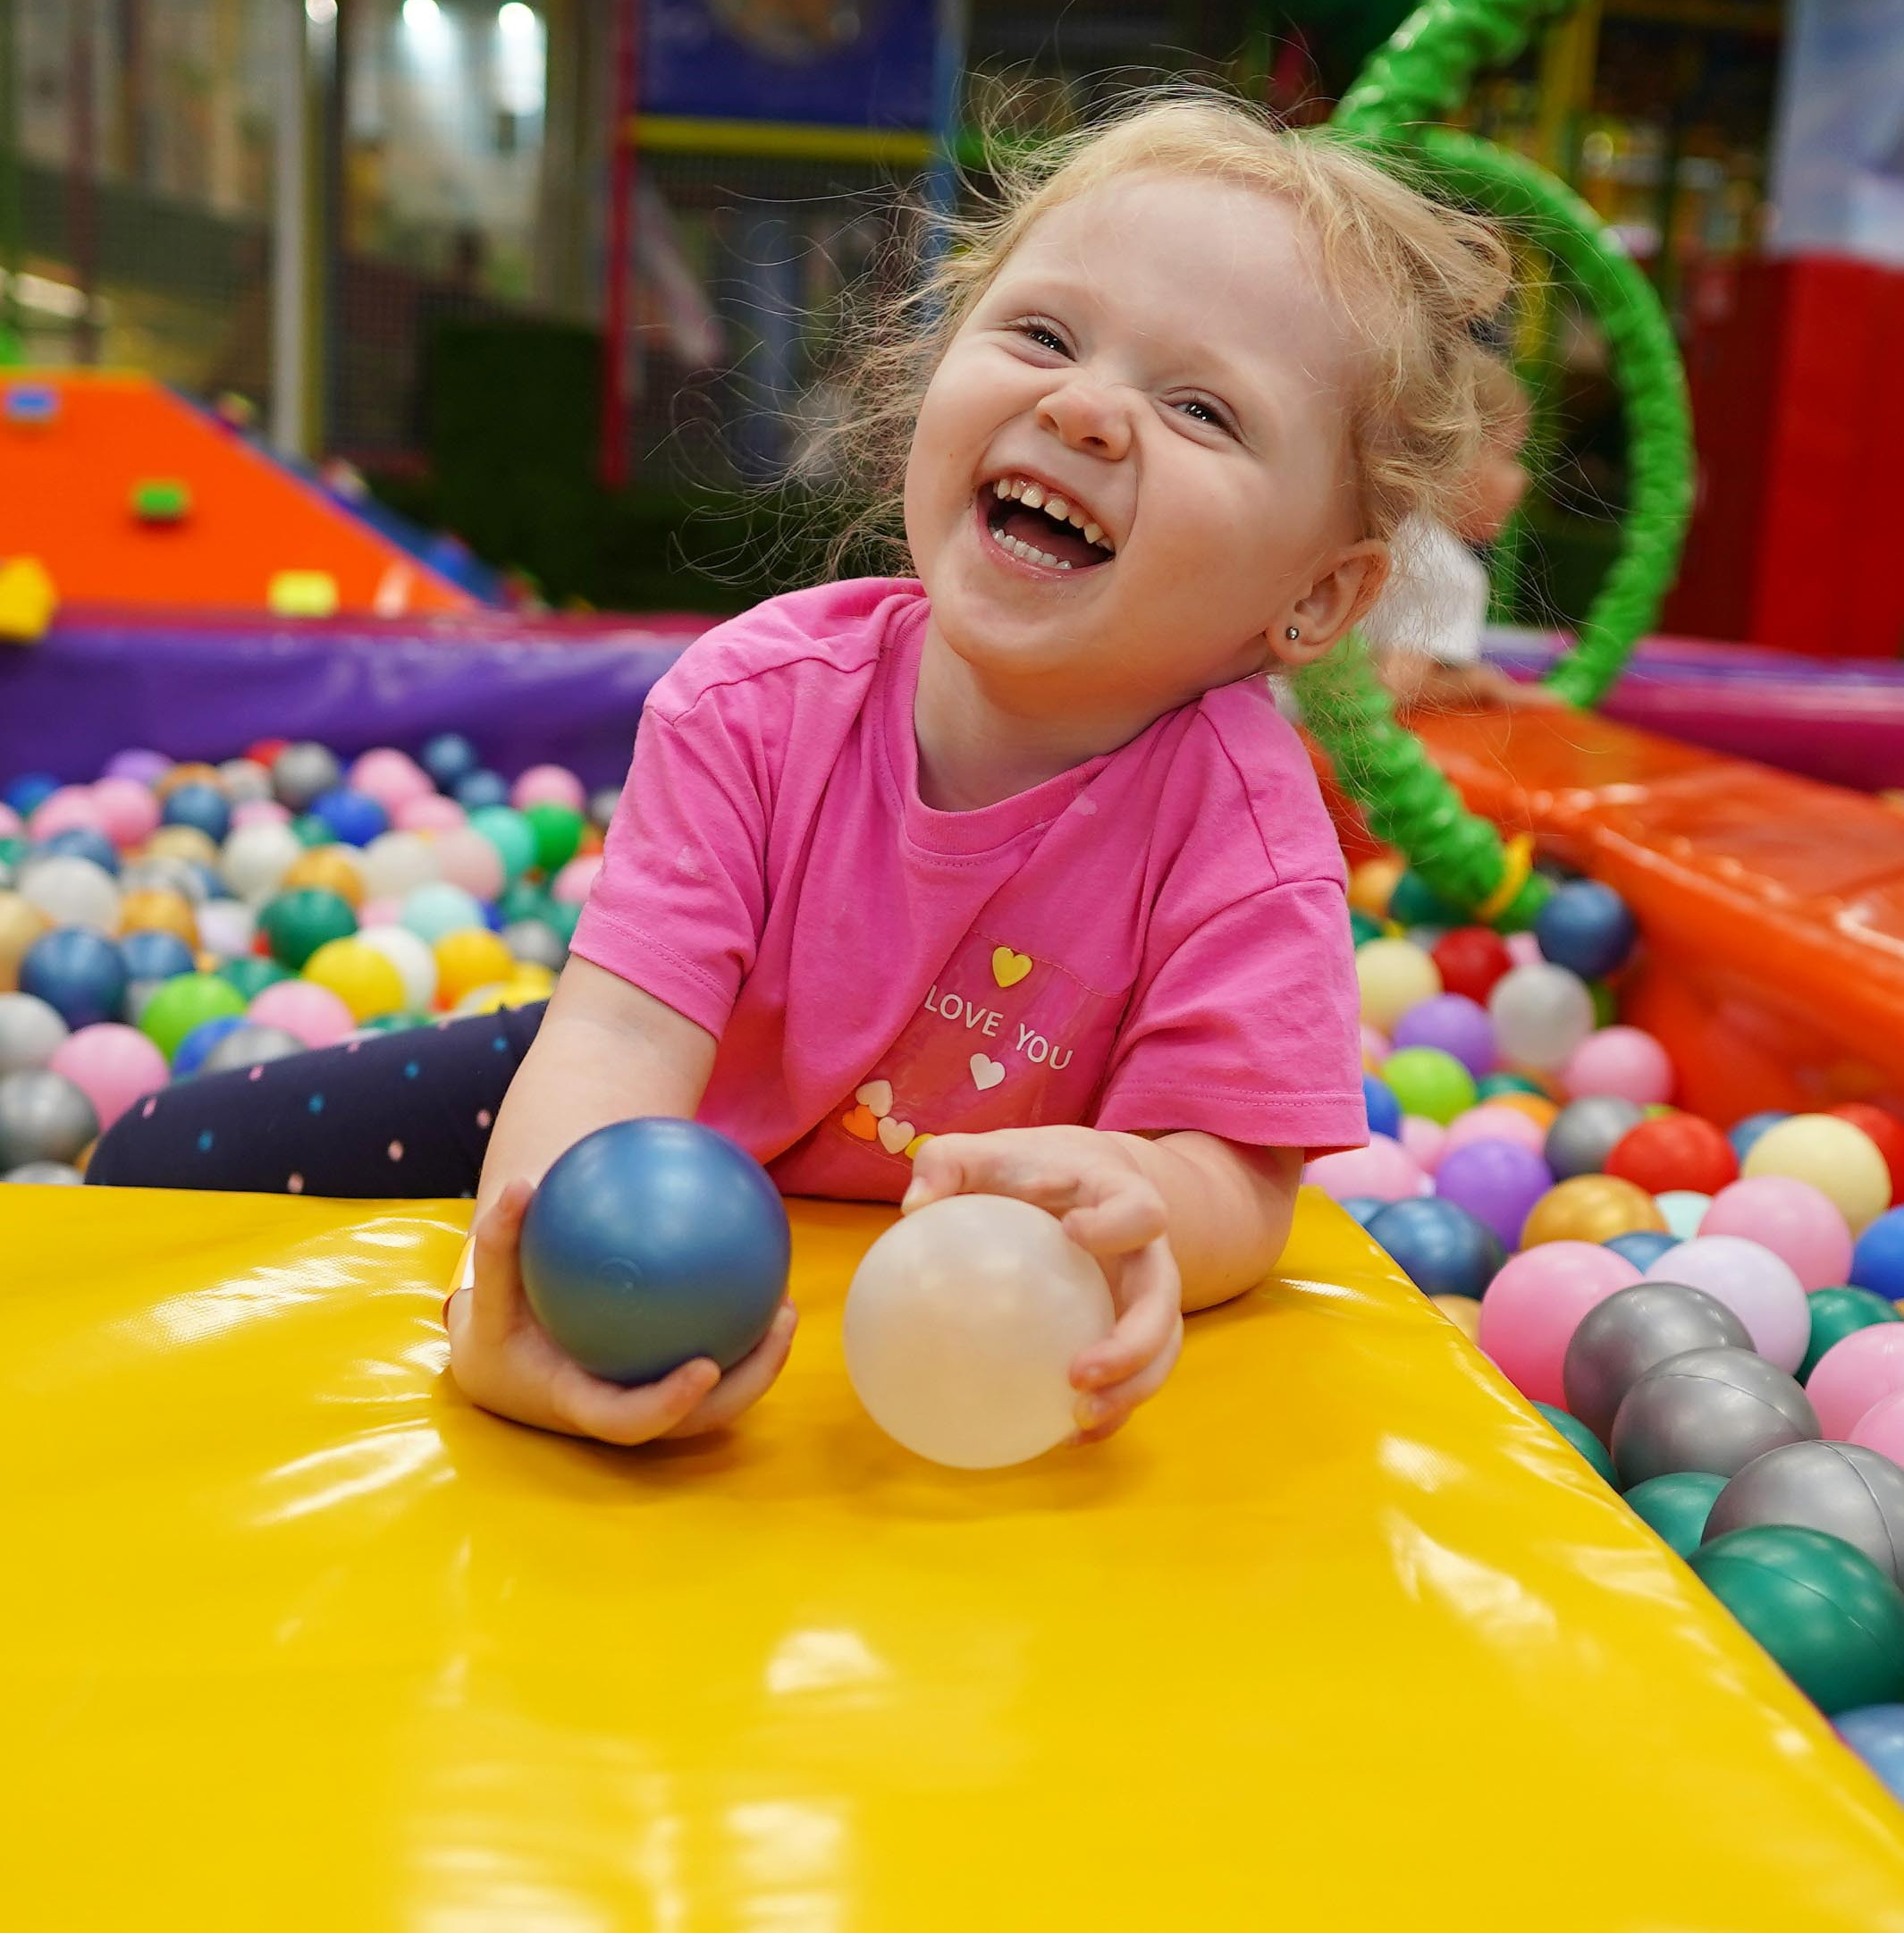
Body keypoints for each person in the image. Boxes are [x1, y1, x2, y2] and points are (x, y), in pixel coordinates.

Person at [89, 95, 1511, 1452]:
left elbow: (1238, 1175)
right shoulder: (757, 701)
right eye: (1039, 332)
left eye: (1202, 410)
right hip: (672, 1105)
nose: (1086, 410)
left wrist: (1139, 1189)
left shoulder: (1244, 835)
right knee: (162, 1160)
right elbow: (620, 1047)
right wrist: (513, 1295)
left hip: (942, 1233)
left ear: (1319, 600)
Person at [1370, 350, 1531, 713]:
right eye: (1510, 455)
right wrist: (1480, 684)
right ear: (1452, 459)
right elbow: (1389, 691)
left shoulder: (1381, 530)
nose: (1524, 478)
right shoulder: (1448, 571)